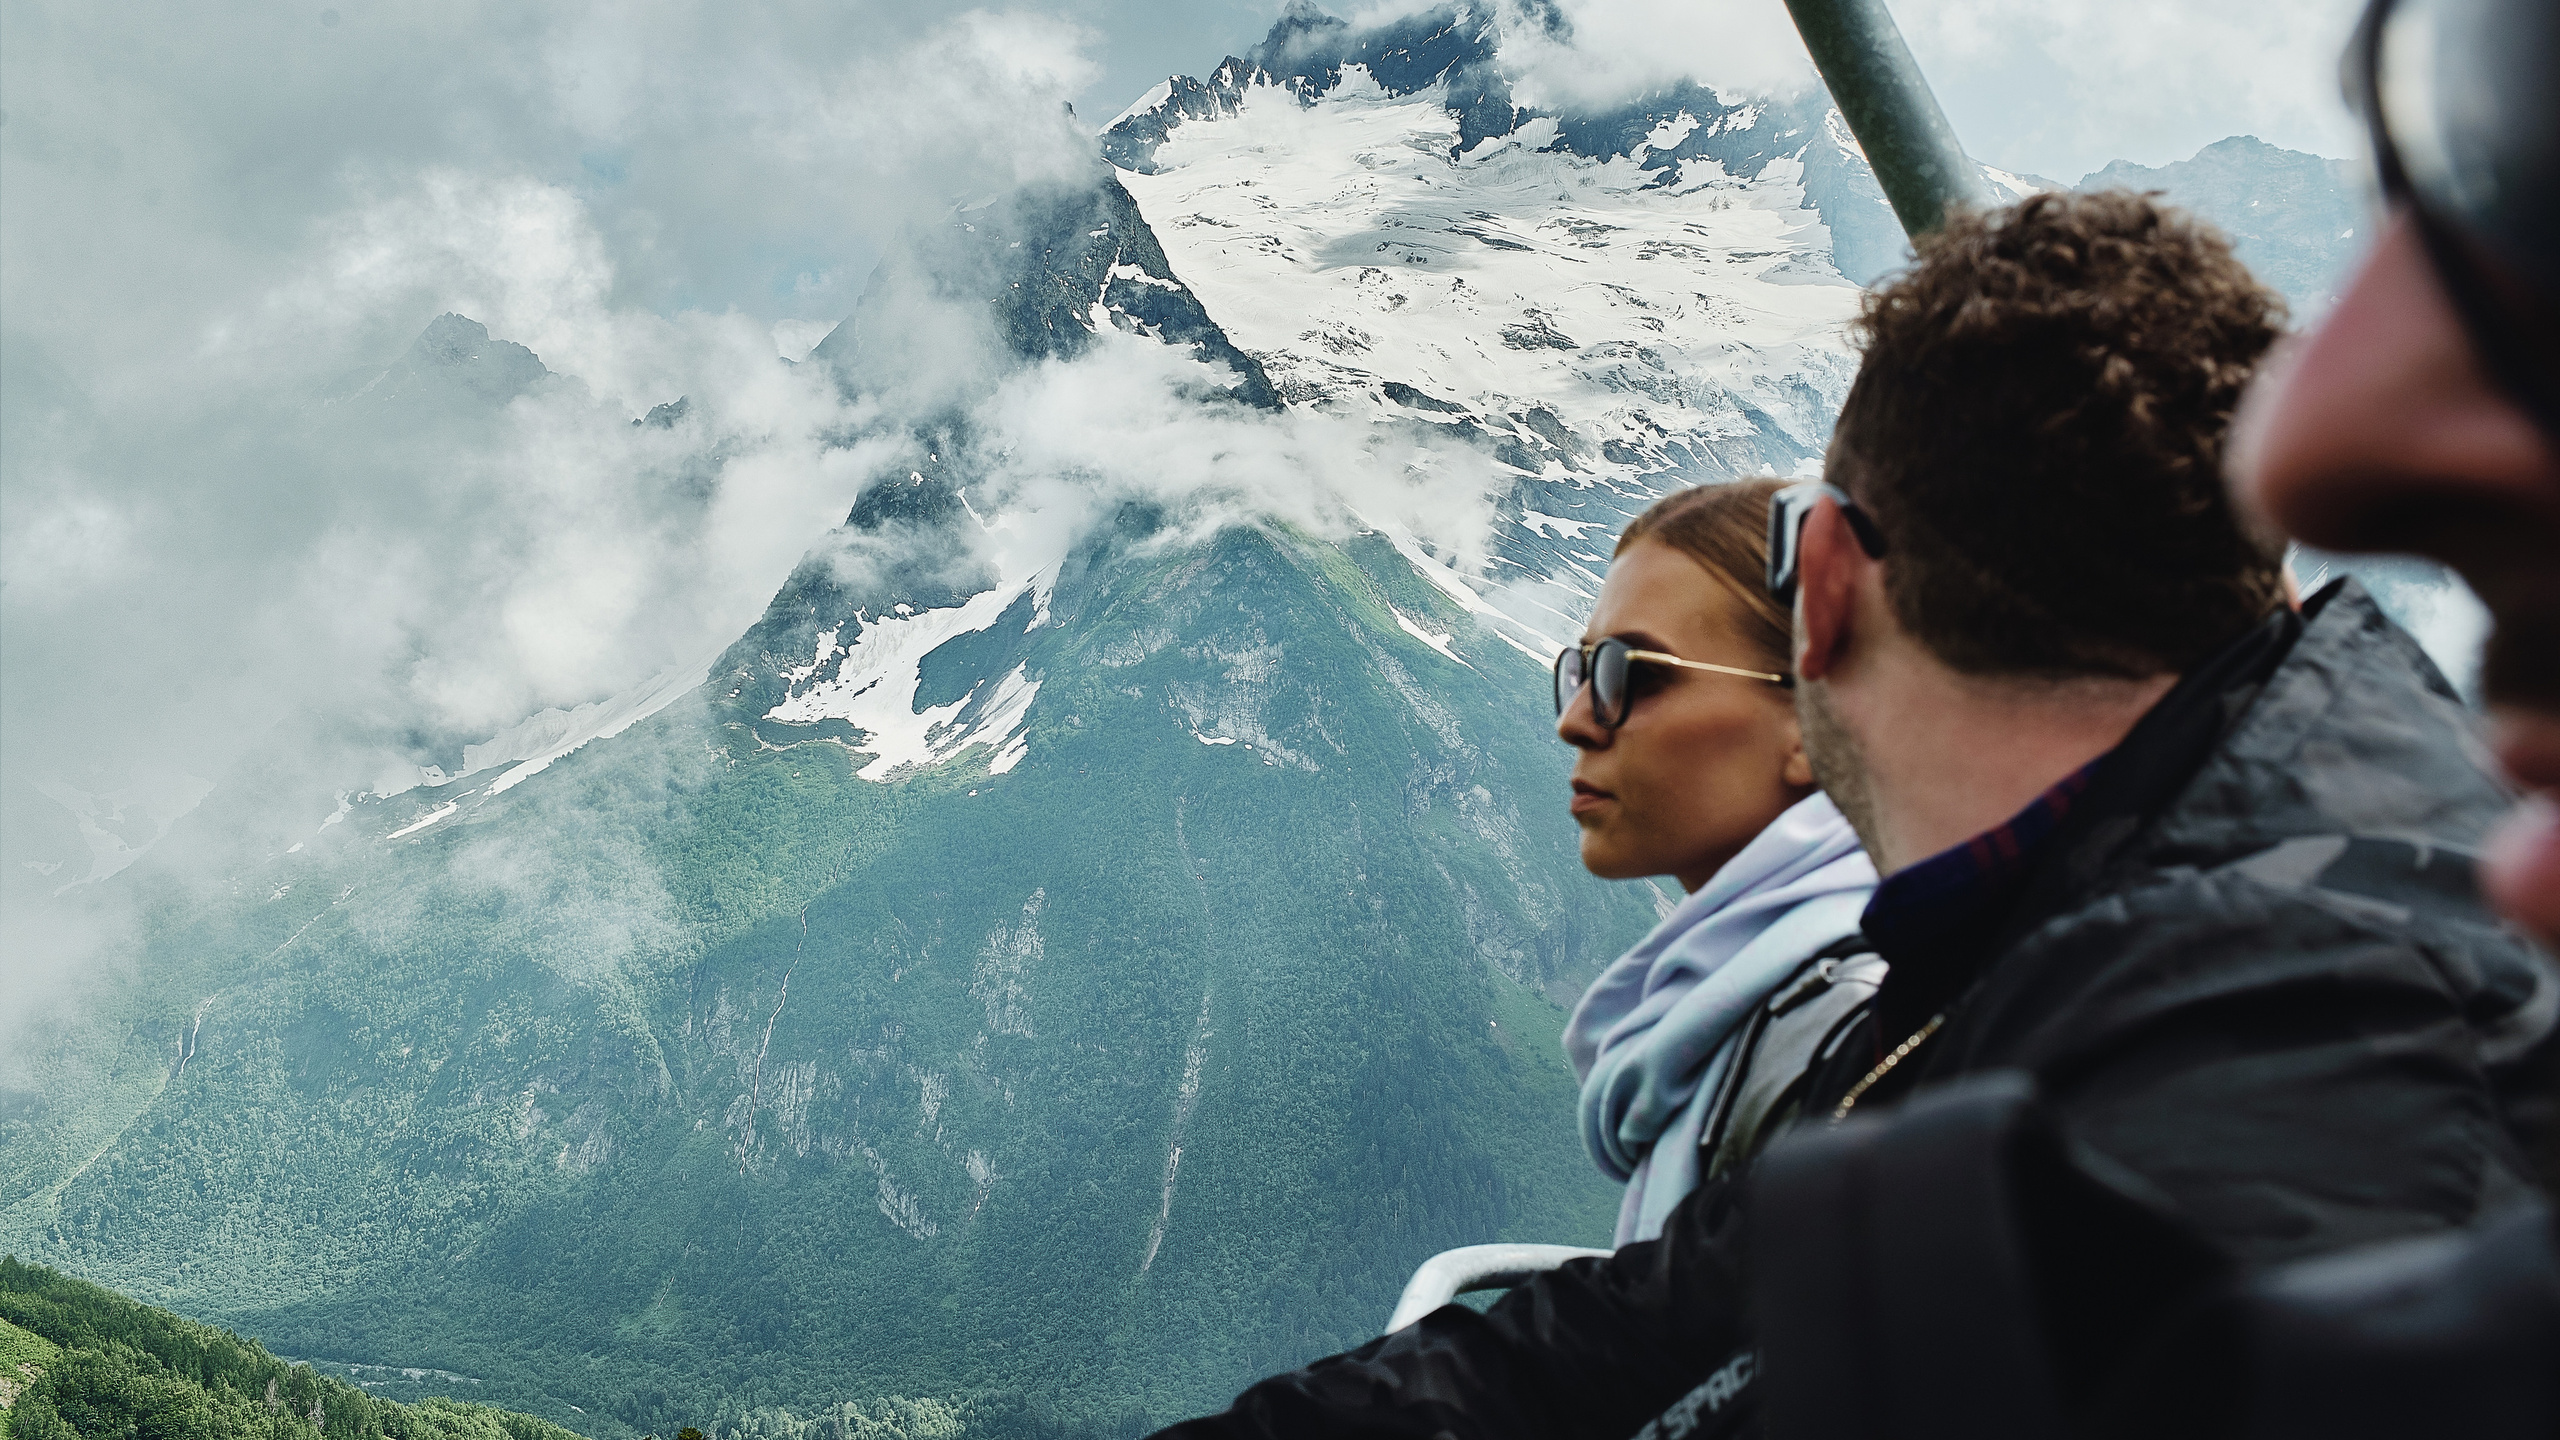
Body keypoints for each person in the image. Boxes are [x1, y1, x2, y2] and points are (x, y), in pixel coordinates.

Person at [1148, 189, 2554, 1440]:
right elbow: (1622, 1339)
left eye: (1623, 675)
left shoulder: (2225, 1057)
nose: (1577, 716)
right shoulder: (2106, 944)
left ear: (1824, 587)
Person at [1555, 481, 1878, 1247]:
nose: (1575, 722)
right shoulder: (1772, 1003)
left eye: (1631, 674)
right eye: (1582, 669)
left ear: (1814, 721)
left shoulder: (1846, 1035)